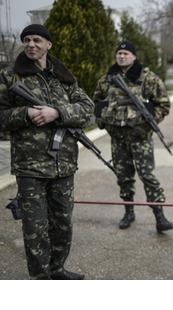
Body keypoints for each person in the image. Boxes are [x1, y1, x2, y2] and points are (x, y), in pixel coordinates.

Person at [0, 24, 94, 279]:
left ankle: (57, 268)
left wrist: (58, 112)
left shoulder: (62, 75)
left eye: (37, 40)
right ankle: (40, 278)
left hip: (63, 165)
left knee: (62, 224)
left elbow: (87, 108)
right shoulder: (11, 76)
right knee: (35, 227)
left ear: (48, 45)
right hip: (30, 166)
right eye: (27, 40)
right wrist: (25, 114)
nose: (31, 44)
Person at [93, 41, 173, 232]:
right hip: (118, 139)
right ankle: (128, 212)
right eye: (119, 53)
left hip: (140, 138)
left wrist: (146, 124)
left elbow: (163, 104)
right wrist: (104, 121)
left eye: (126, 53)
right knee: (123, 177)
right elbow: (97, 103)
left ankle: (160, 216)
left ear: (134, 56)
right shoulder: (107, 79)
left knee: (147, 176)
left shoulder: (147, 78)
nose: (122, 56)